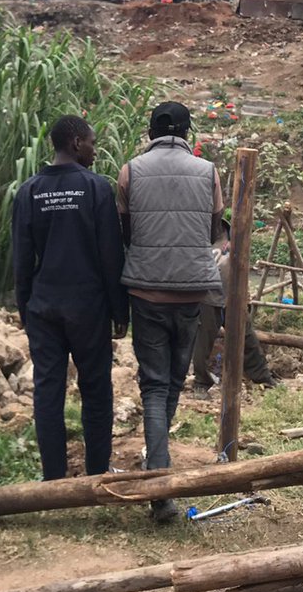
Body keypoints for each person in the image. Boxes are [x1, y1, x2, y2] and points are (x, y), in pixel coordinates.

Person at [118, 101, 223, 522]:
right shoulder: (209, 171)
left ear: (151, 131)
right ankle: (158, 466)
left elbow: (125, 231)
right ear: (187, 131)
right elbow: (215, 230)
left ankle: (159, 482)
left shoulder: (129, 171)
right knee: (173, 382)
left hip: (146, 291)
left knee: (153, 386)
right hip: (191, 292)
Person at [12, 115, 127, 482]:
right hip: (88, 308)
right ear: (76, 143)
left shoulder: (29, 191)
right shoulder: (96, 189)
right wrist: (119, 308)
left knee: (48, 391)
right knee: (96, 389)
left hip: (44, 307)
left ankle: (54, 478)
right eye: (92, 142)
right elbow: (111, 255)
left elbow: (22, 258)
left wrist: (25, 307)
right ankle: (96, 475)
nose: (95, 150)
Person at [192, 218, 278, 395]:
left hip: (233, 295)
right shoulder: (196, 231)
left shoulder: (231, 232)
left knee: (247, 339)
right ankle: (201, 383)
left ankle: (263, 378)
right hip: (207, 297)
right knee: (203, 342)